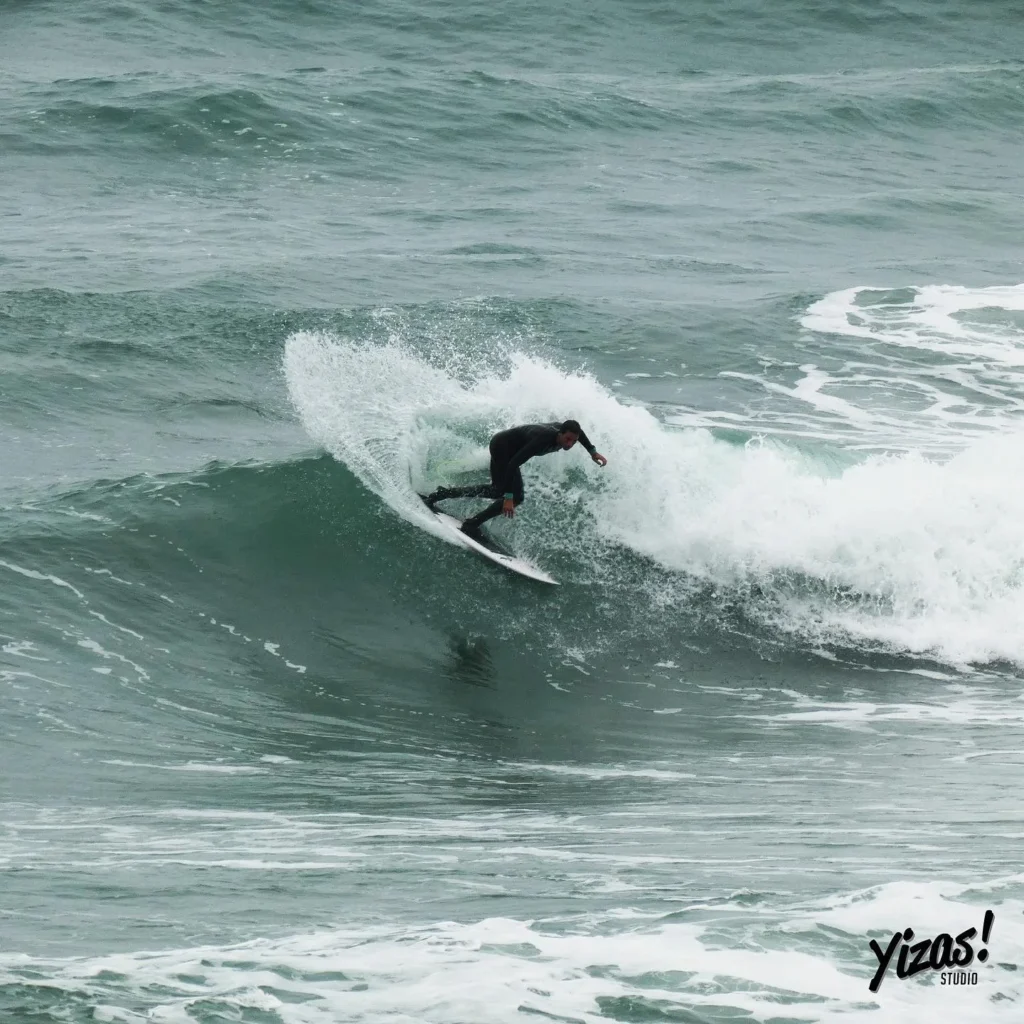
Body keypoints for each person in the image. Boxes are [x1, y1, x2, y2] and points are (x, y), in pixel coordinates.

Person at [422, 419, 608, 540]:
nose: (569, 444)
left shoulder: (568, 432)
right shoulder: (542, 439)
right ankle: (471, 524)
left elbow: (579, 433)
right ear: (560, 433)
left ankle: (444, 495)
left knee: (496, 490)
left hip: (507, 449)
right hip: (502, 447)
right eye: (567, 439)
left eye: (573, 442)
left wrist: (592, 452)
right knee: (514, 496)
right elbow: (512, 464)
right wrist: (509, 498)